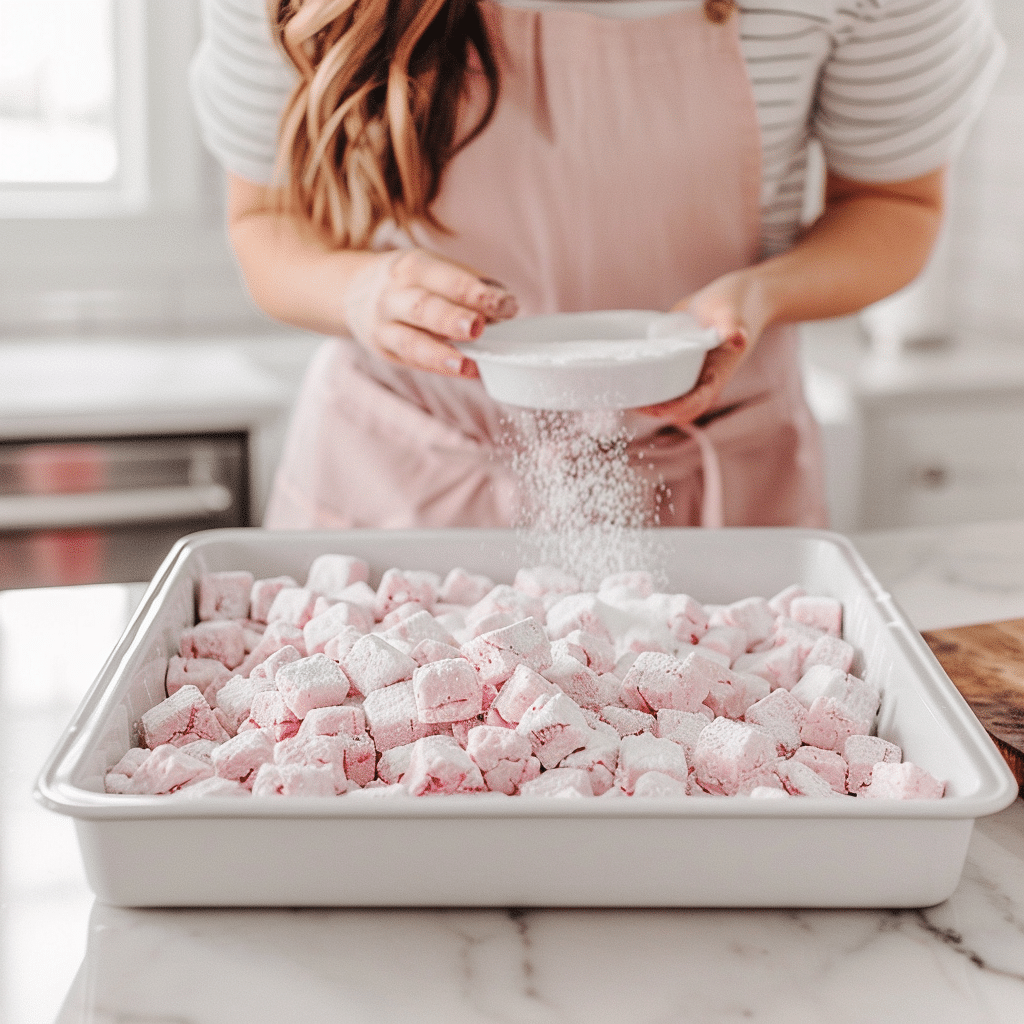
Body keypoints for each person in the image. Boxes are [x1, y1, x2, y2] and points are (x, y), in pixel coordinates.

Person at [191, 0, 1003, 530]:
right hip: (402, 480)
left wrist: (762, 294)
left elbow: (896, 206)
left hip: (709, 480)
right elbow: (266, 222)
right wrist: (360, 291)